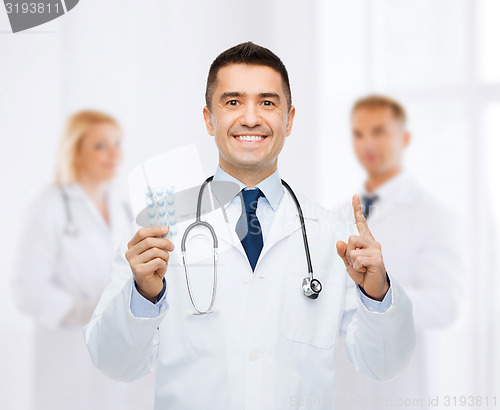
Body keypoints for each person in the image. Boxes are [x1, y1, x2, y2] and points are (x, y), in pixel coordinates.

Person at [84, 42, 416, 409]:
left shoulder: (333, 236)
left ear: (289, 120)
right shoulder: (159, 227)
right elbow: (113, 363)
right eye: (233, 102)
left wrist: (378, 293)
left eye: (268, 102)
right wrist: (142, 296)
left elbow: (385, 364)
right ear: (209, 119)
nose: (251, 118)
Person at [11, 110, 156, 410]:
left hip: (115, 351)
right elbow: (25, 289)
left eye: (117, 144)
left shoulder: (122, 207)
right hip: (67, 352)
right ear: (75, 152)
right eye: (100, 146)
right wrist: (84, 310)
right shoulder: (48, 205)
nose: (114, 154)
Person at [334, 95, 464, 409]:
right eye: (358, 133)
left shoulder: (432, 214)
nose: (368, 143)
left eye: (379, 131)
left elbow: (445, 303)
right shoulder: (338, 212)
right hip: (343, 381)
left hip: (399, 387)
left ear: (404, 138)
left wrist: (382, 299)